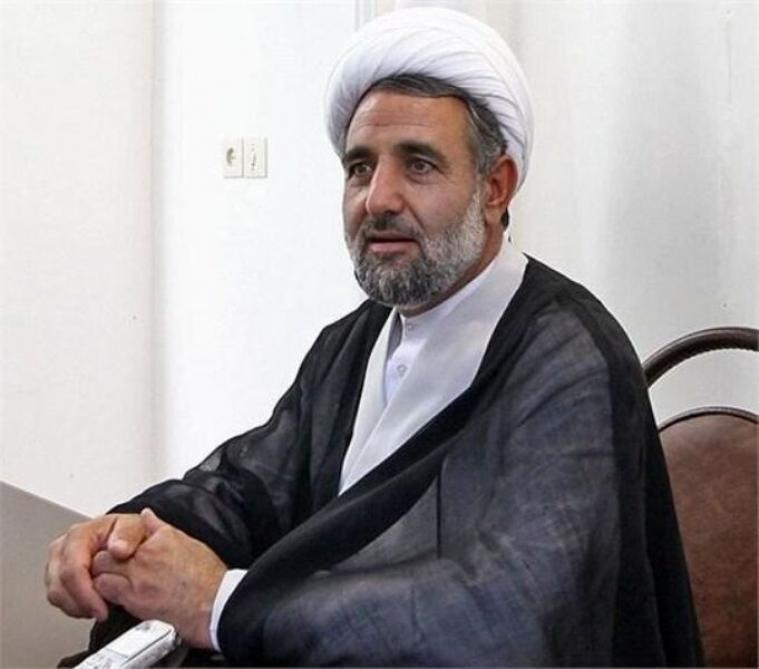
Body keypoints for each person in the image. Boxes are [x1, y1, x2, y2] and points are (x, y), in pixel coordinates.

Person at [46, 7, 702, 666]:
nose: (378, 198)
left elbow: (509, 612)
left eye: (418, 165)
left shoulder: (568, 358)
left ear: (494, 187)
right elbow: (250, 489)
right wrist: (125, 534)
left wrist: (220, 604)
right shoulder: (354, 341)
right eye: (360, 168)